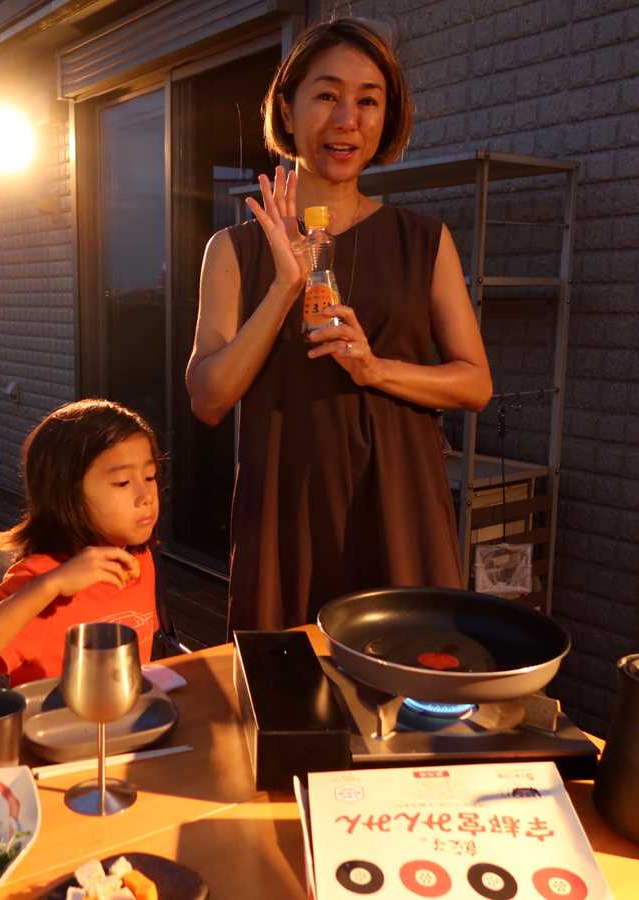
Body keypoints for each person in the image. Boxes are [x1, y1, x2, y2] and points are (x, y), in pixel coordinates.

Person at [186, 19, 493, 633]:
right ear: (288, 109)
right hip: (284, 518)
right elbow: (210, 398)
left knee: (410, 699)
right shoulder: (234, 249)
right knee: (291, 708)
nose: (347, 118)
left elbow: (474, 385)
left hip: (400, 510)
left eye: (369, 100)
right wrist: (285, 286)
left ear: (387, 118)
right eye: (327, 95)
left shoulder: (423, 240)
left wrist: (375, 368)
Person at [0, 400, 159, 689]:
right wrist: (50, 586)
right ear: (66, 494)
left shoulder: (141, 560)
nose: (146, 496)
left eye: (150, 476)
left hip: (126, 727)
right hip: (54, 731)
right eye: (122, 482)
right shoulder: (41, 577)